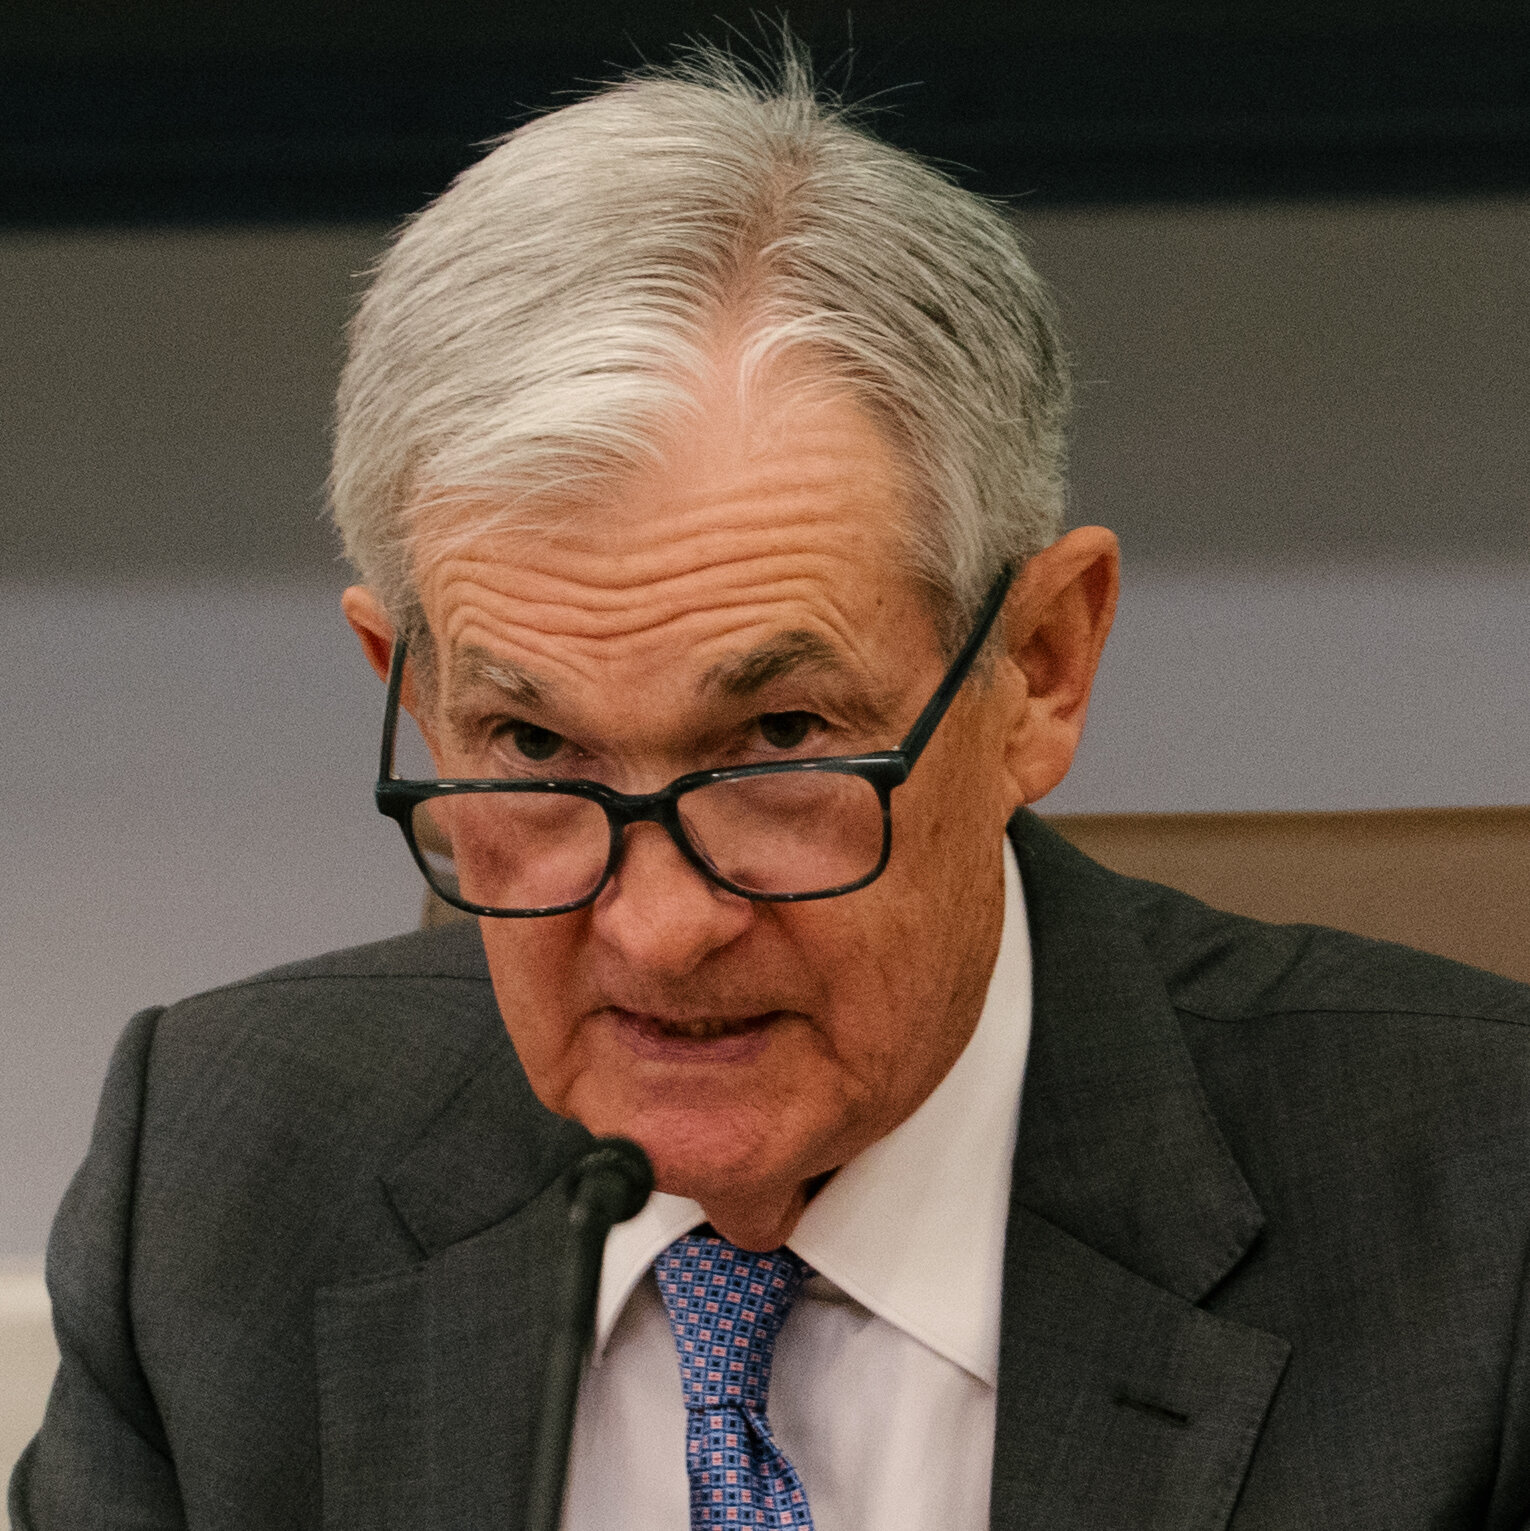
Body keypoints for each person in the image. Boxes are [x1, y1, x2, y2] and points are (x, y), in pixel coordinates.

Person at [12, 44, 1530, 1531]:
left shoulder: (1484, 1228)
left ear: (1039, 669)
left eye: (781, 738)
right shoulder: (223, 1183)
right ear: (411, 694)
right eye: (532, 746)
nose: (660, 932)